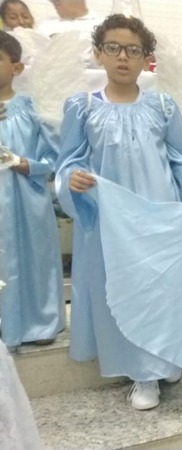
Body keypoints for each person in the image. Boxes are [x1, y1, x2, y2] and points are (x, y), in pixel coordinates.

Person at [55, 14, 182, 411]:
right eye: (113, 48)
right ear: (98, 54)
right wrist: (72, 178)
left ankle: (166, 356)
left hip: (158, 215)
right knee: (127, 289)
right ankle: (143, 372)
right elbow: (68, 161)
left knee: (161, 288)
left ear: (146, 59)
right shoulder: (82, 107)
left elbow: (181, 157)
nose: (122, 57)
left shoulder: (162, 106)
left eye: (132, 50)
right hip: (112, 221)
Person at [0, 30, 64, 349]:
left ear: (17, 67)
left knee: (34, 259)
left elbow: (54, 154)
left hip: (26, 197)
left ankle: (38, 322)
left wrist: (26, 163)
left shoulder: (32, 109)